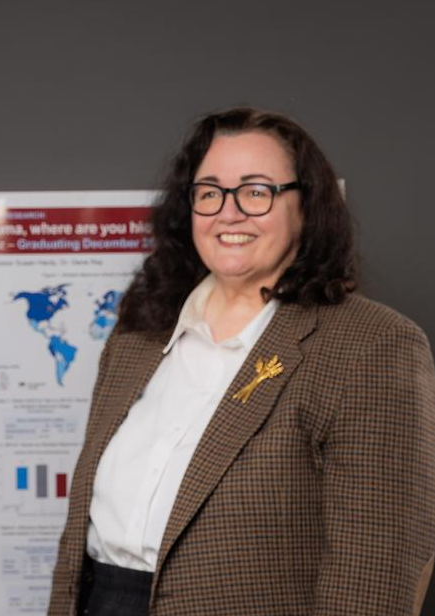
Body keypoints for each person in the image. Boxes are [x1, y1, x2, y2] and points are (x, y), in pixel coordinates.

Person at [48, 107, 435, 616]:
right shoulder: (137, 335)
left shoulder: (372, 344)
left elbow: (375, 572)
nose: (229, 213)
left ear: (307, 207)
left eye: (256, 192)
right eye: (209, 192)